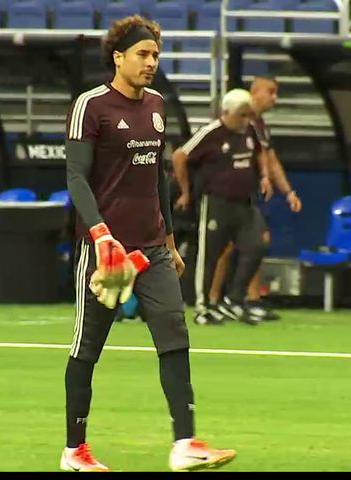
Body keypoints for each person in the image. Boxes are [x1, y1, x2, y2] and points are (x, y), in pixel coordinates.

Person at [60, 15, 236, 472]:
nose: (151, 62)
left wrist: (172, 241)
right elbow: (76, 177)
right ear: (118, 58)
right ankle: (74, 450)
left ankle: (185, 444)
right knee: (87, 347)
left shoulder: (157, 105)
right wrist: (99, 236)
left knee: (174, 334)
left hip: (153, 248)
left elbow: (157, 176)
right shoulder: (91, 106)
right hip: (106, 253)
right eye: (143, 54)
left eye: (155, 54)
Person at [172, 88, 274, 326]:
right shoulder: (211, 133)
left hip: (244, 203)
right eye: (241, 115)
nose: (245, 120)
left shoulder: (249, 128)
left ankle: (234, 299)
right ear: (227, 112)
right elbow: (179, 156)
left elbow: (260, 152)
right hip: (216, 202)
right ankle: (203, 307)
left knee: (257, 244)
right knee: (209, 254)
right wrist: (186, 191)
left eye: (248, 115)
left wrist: (264, 177)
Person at [207, 76, 302, 322]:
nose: (275, 98)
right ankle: (213, 300)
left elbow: (268, 158)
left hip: (248, 195)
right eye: (271, 91)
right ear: (255, 91)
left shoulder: (258, 125)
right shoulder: (231, 122)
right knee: (225, 248)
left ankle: (247, 299)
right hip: (223, 195)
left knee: (256, 241)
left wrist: (286, 190)